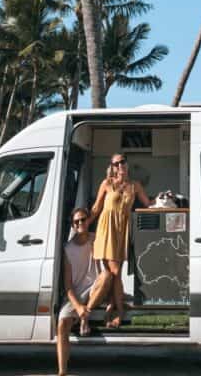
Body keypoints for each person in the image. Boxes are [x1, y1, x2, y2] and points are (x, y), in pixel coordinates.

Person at [89, 154, 153, 328]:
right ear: (112, 167)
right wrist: (83, 225)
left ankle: (111, 307)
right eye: (116, 163)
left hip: (122, 230)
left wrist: (165, 200)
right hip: (106, 229)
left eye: (122, 161)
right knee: (114, 272)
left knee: (115, 273)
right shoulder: (107, 183)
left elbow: (148, 204)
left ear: (127, 164)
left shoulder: (135, 185)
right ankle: (117, 311)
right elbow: (96, 208)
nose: (120, 165)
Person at [57, 206, 112, 376]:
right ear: (73, 225)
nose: (80, 223)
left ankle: (83, 319)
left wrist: (112, 301)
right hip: (76, 294)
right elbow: (68, 286)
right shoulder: (67, 249)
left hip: (95, 291)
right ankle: (62, 371)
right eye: (76, 221)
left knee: (107, 275)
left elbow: (107, 270)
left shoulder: (97, 240)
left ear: (89, 220)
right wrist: (78, 307)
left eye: (83, 219)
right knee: (62, 324)